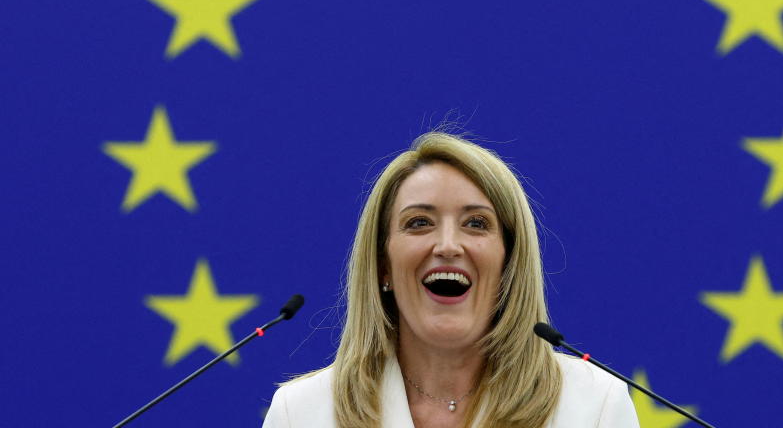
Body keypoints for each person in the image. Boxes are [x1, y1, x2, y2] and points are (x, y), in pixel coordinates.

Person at [262, 131, 639, 428]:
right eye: (419, 223)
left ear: (509, 262)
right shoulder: (303, 414)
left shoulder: (594, 406)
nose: (447, 245)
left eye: (476, 224)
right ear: (383, 266)